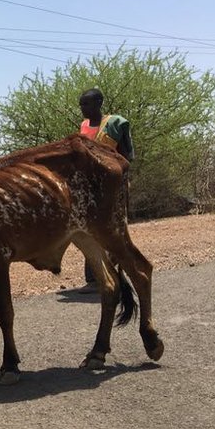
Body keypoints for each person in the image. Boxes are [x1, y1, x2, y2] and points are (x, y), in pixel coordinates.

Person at [77, 88, 134, 293]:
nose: (83, 108)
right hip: (90, 188)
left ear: (99, 103)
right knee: (90, 231)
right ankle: (93, 278)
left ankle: (117, 274)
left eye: (87, 104)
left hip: (113, 185)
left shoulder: (116, 124)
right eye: (81, 104)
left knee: (114, 229)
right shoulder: (83, 126)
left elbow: (127, 155)